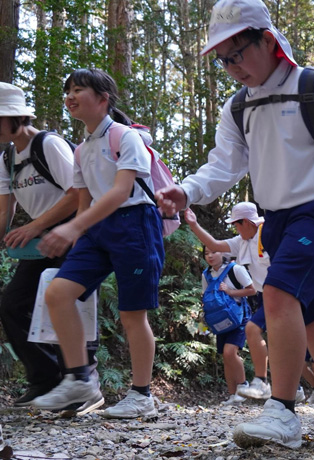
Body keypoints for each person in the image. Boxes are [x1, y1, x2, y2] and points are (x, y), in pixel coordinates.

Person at [155, 0, 314, 448]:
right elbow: (225, 164)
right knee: (311, 317)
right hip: (275, 220)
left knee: (275, 293)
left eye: (238, 53)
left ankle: (283, 412)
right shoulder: (238, 107)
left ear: (268, 40)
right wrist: (187, 191)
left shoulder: (313, 87)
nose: (232, 67)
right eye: (223, 60)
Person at [32, 69, 165, 419]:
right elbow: (84, 198)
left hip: (134, 223)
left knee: (132, 314)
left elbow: (122, 191)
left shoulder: (125, 137)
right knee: (58, 293)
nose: (70, 96)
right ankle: (79, 379)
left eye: (78, 89)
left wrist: (74, 227)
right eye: (68, 91)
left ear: (103, 99)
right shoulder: (81, 149)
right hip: (96, 229)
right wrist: (77, 231)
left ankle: (142, 395)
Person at [0, 82, 101, 414]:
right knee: (13, 303)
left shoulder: (49, 144)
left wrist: (35, 225)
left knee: (66, 302)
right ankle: (47, 380)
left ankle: (83, 379)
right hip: (42, 239)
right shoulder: (7, 156)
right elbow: (6, 210)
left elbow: (76, 193)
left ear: (16, 117)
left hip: (73, 232)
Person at [185, 204, 273, 400]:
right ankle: (263, 386)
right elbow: (215, 244)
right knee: (257, 336)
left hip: (278, 292)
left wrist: (233, 292)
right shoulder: (240, 241)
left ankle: (264, 383)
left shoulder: (268, 235)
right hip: (263, 296)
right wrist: (194, 225)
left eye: (237, 224)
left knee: (256, 332)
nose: (236, 229)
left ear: (248, 223)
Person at [200, 246, 256, 405]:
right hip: (220, 319)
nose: (210, 256)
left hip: (239, 317)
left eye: (213, 252)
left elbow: (252, 290)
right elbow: (205, 296)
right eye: (206, 253)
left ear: (223, 253)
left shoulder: (236, 269)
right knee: (225, 356)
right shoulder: (206, 274)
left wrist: (230, 292)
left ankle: (243, 386)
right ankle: (233, 396)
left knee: (230, 351)